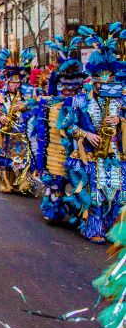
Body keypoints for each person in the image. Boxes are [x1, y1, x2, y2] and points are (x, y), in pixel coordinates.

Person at [66, 25, 126, 242]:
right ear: (94, 77)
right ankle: (93, 228)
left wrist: (120, 120)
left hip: (114, 154)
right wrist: (86, 135)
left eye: (109, 76)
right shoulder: (81, 99)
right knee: (95, 193)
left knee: (118, 192)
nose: (105, 80)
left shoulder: (121, 100)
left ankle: (112, 229)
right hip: (90, 154)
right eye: (101, 76)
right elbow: (68, 127)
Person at [31, 36, 86, 225]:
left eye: (73, 89)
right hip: (54, 151)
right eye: (65, 89)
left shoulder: (84, 104)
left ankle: (78, 212)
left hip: (78, 152)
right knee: (55, 183)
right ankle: (54, 209)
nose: (69, 93)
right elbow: (40, 129)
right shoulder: (49, 104)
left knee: (79, 184)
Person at [0, 48, 36, 195]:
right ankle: (6, 183)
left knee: (24, 159)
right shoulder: (0, 95)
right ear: (7, 81)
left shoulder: (26, 95)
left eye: (18, 82)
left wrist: (26, 107)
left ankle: (24, 184)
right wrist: (0, 117)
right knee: (5, 159)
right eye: (12, 82)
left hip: (22, 132)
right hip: (5, 132)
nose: (15, 85)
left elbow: (35, 109)